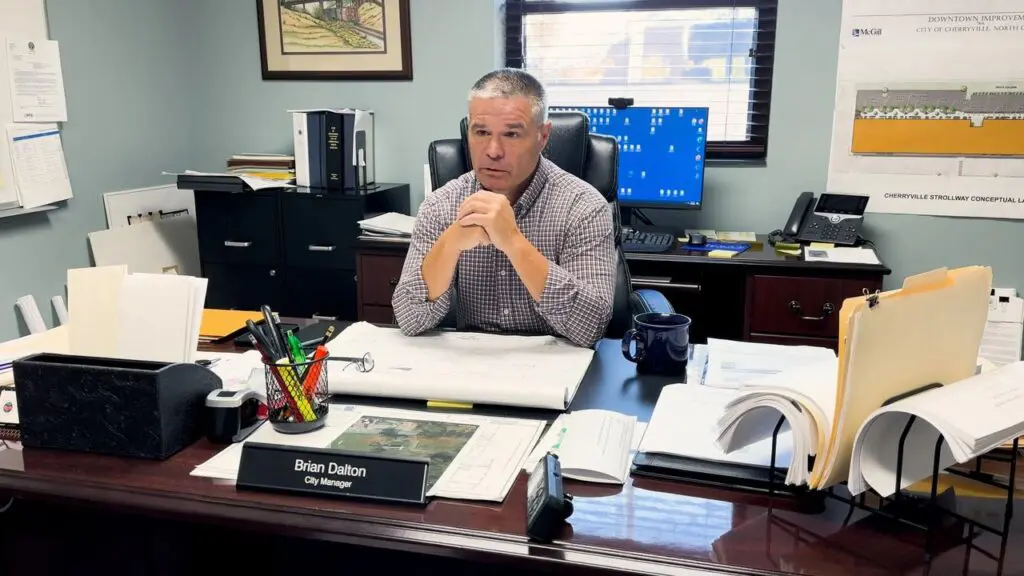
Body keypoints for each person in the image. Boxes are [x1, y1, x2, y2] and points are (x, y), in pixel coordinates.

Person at [391, 68, 617, 348]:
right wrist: (449, 244)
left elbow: (591, 327)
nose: (493, 150)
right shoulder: (441, 205)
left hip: (556, 372)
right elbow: (409, 320)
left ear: (543, 136)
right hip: (471, 368)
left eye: (511, 134)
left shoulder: (583, 207)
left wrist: (513, 242)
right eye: (481, 132)